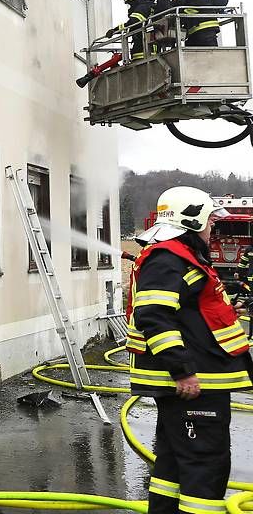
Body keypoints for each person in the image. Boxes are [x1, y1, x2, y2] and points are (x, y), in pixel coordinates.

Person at [127, 186, 253, 514]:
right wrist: (182, 371)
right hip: (196, 385)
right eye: (211, 220)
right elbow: (153, 315)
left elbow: (185, 309)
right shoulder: (168, 258)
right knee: (204, 466)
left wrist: (222, 312)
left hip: (198, 382)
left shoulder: (178, 256)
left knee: (172, 464)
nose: (214, 227)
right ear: (193, 220)